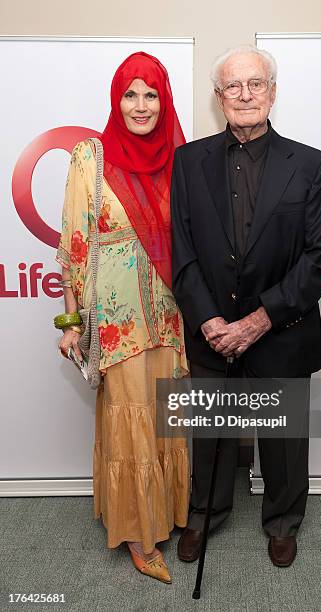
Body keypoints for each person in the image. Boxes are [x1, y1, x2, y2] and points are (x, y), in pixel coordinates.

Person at [171, 45, 321, 567]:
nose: (244, 95)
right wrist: (211, 320)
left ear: (272, 91)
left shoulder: (309, 164)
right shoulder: (188, 161)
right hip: (212, 328)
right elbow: (183, 250)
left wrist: (259, 319)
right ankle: (206, 514)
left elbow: (316, 258)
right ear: (218, 98)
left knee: (284, 442)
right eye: (233, 87)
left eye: (255, 84)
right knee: (209, 434)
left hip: (281, 328)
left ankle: (283, 522)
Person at [56, 52, 190, 584]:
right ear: (116, 100)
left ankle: (170, 513)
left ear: (165, 100)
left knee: (167, 419)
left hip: (170, 316)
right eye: (130, 94)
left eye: (151, 94)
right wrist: (70, 326)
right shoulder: (90, 157)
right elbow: (73, 245)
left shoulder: (183, 156)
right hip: (117, 324)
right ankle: (139, 532)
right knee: (131, 423)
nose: (140, 106)